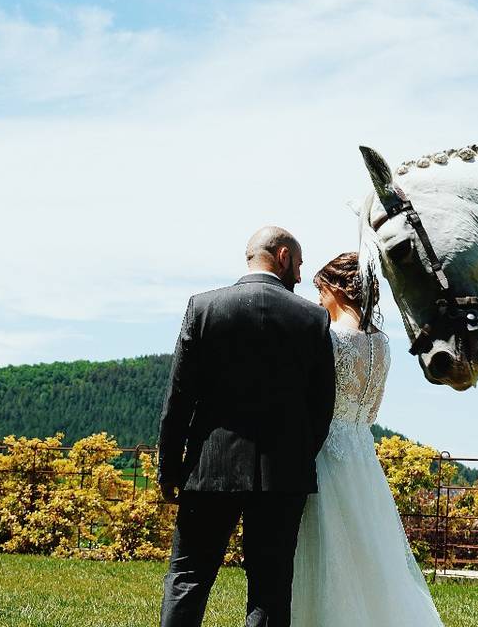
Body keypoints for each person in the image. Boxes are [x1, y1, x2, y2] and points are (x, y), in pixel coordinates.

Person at [157, 226, 335, 627]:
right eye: (300, 265)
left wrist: (169, 467)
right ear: (284, 256)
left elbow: (179, 398)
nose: (301, 277)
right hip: (283, 475)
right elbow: (321, 408)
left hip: (208, 470)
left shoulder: (203, 308)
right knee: (270, 589)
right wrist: (296, 457)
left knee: (188, 577)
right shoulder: (312, 318)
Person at [290, 252, 445, 627]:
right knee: (369, 550)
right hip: (361, 450)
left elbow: (312, 400)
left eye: (321, 291)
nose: (318, 301)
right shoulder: (382, 343)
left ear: (338, 290)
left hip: (327, 450)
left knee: (326, 548)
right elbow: (372, 410)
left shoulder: (332, 338)